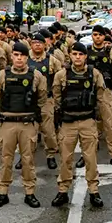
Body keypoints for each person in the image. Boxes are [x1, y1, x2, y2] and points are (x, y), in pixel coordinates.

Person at [51, 42, 112, 209]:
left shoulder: (94, 74)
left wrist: (106, 122)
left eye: (81, 54)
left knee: (90, 158)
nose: (77, 57)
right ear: (70, 56)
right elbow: (56, 100)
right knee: (65, 159)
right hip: (68, 123)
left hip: (88, 121)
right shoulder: (61, 75)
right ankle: (63, 191)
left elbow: (101, 99)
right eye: (74, 54)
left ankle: (94, 191)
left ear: (86, 56)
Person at [0, 41, 47, 208]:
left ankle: (29, 193)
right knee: (6, 160)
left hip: (27, 123)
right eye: (16, 55)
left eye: (22, 56)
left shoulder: (36, 76)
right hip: (7, 123)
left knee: (28, 160)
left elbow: (42, 98)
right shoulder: (2, 75)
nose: (19, 59)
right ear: (11, 56)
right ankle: (2, 193)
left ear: (27, 58)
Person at [87, 25, 112, 169]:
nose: (97, 37)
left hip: (105, 92)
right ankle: (88, 154)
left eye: (100, 35)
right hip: (89, 91)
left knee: (109, 123)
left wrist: (109, 83)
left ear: (104, 36)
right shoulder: (86, 52)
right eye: (95, 34)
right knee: (90, 124)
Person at [27, 33, 62, 170]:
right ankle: (27, 156)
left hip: (47, 99)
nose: (37, 45)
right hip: (29, 100)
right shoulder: (25, 59)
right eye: (34, 42)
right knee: (28, 131)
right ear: (31, 44)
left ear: (45, 45)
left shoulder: (52, 60)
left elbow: (60, 77)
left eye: (40, 43)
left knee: (48, 130)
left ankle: (51, 155)